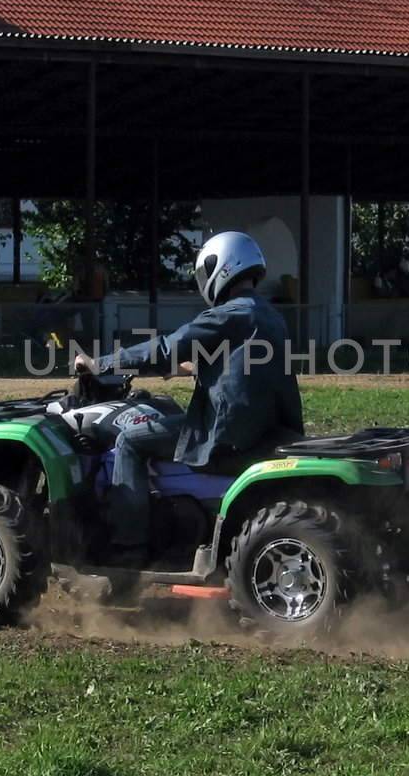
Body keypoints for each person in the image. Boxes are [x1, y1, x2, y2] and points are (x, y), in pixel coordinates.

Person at [73, 231, 303, 559]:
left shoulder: (228, 314)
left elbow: (167, 346)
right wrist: (188, 368)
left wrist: (101, 364)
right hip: (263, 429)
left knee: (130, 441)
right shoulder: (269, 315)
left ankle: (127, 547)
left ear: (219, 267)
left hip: (225, 435)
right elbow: (242, 366)